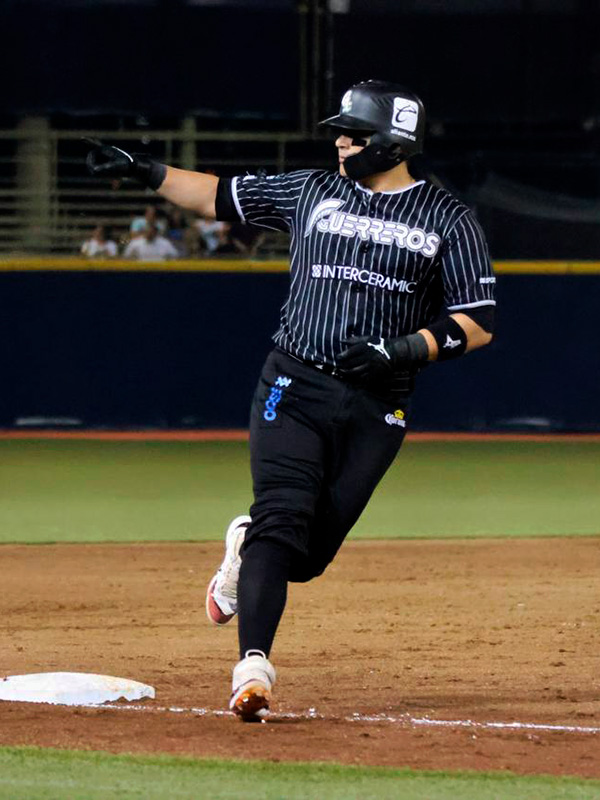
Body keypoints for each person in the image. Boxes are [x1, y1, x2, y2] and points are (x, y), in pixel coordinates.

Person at [85, 79, 496, 723]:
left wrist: (402, 350)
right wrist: (148, 170)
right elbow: (220, 195)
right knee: (281, 521)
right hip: (294, 383)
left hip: (377, 406)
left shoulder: (448, 219)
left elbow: (477, 320)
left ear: (391, 143)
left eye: (352, 132)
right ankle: (254, 667)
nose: (339, 140)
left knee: (308, 557)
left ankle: (242, 548)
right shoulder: (313, 191)